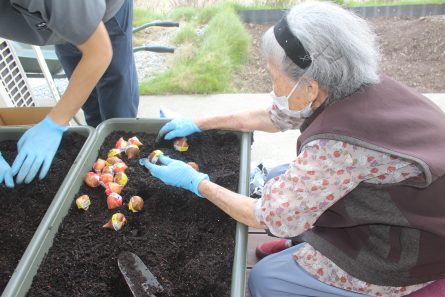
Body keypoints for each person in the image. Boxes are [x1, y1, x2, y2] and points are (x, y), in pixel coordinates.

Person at [145, 2, 445, 296]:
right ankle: (308, 242)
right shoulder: (353, 84)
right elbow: (275, 115)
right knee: (278, 174)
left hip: (405, 251)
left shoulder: (338, 147)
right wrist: (199, 122)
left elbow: (267, 216)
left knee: (266, 279)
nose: (274, 90)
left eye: (276, 80)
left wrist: (196, 182)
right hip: (398, 208)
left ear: (310, 87)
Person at [0, 0, 138, 187]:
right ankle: (100, 153)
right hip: (58, 23)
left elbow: (99, 52)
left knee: (117, 110)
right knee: (87, 99)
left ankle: (123, 162)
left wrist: (54, 123)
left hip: (103, 14)